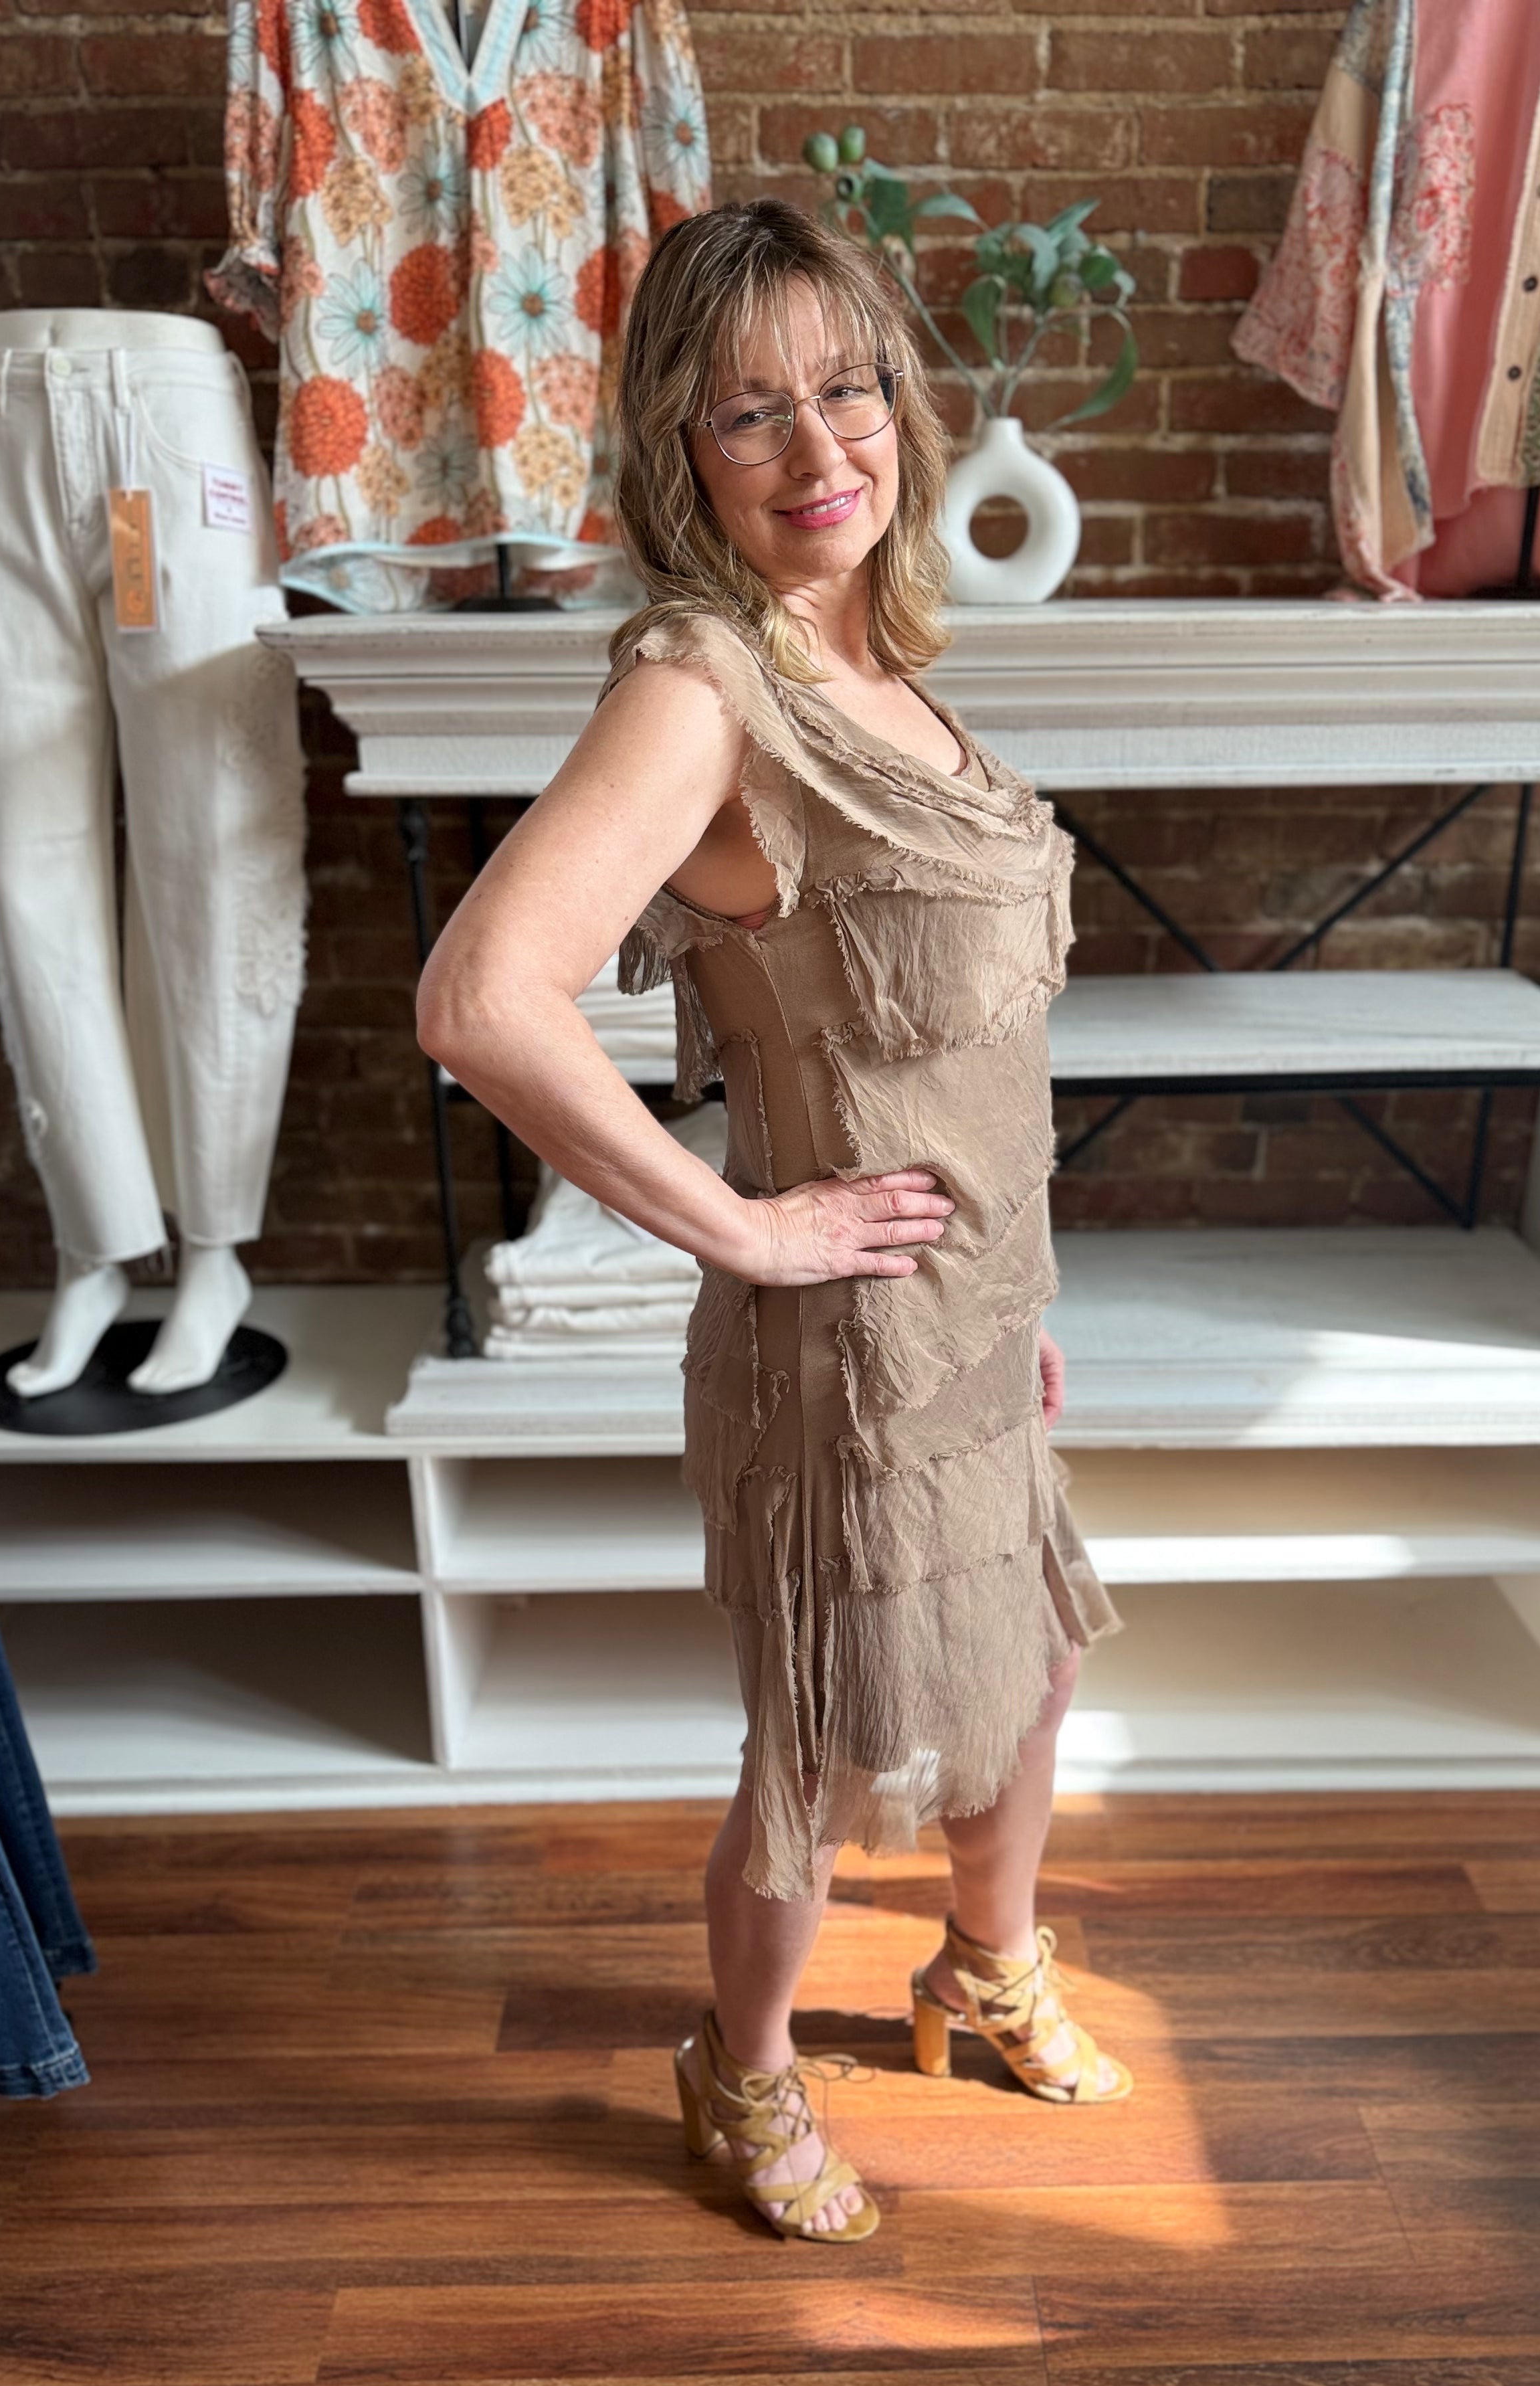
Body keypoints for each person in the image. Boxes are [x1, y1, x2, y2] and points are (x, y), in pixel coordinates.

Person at [417, 199, 1129, 2247]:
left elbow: (954, 1061)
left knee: (1028, 1673)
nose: (820, 447)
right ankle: (739, 2075)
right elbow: (480, 1000)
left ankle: (984, 1967)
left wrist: (1012, 1294)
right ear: (683, 449)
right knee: (815, 1752)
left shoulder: (878, 660)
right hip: (846, 1354)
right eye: (750, 413)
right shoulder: (706, 687)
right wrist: (746, 1232)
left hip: (975, 1317)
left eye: (848, 388)